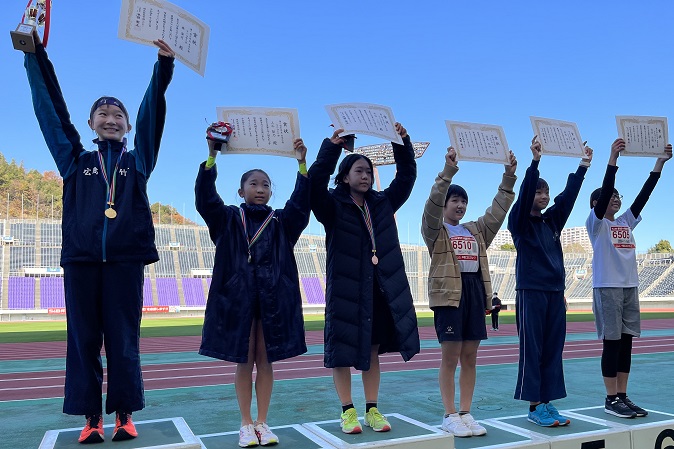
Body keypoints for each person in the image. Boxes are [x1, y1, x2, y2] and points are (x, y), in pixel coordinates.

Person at [22, 32, 175, 443]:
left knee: (124, 342)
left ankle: (124, 414)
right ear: (91, 124)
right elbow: (51, 114)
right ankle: (92, 418)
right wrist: (36, 59)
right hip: (82, 260)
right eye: (102, 113)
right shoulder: (75, 161)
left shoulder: (138, 160)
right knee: (83, 342)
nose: (111, 118)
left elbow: (151, 118)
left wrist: (162, 69)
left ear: (125, 126)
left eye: (118, 115)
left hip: (125, 260)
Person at [196, 132, 310, 447]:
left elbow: (302, 205)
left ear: (272, 191)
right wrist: (211, 157)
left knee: (267, 361)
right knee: (244, 361)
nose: (260, 189)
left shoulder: (282, 222)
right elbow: (206, 199)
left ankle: (263, 422)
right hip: (238, 300)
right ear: (241, 190)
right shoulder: (228, 218)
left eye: (265, 185)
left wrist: (302, 165)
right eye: (254, 184)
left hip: (274, 302)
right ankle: (245, 423)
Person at [309, 124, 420, 434]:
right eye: (359, 170)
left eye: (369, 171)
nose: (366, 175)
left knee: (371, 351)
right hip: (346, 290)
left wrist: (402, 142)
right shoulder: (332, 206)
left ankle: (372, 409)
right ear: (345, 176)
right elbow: (314, 186)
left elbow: (407, 176)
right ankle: (347, 412)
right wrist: (331, 148)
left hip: (378, 289)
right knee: (341, 352)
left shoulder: (382, 204)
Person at [421, 146, 517, 437]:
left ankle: (466, 412)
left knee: (471, 356)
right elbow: (432, 205)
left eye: (464, 201)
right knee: (450, 356)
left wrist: (509, 177)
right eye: (455, 200)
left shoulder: (475, 231)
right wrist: (447, 173)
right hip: (449, 293)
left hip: (475, 292)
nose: (460, 205)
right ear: (446, 204)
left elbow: (498, 211)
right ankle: (449, 414)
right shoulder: (436, 231)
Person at [508, 135, 592, 427]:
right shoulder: (519, 222)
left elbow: (568, 198)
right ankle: (534, 407)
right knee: (534, 349)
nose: (543, 197)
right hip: (531, 291)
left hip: (555, 293)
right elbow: (525, 191)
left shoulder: (552, 222)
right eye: (538, 193)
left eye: (546, 193)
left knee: (554, 349)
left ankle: (547, 402)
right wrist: (534, 162)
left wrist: (583, 166)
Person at [586, 138, 671, 418]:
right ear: (596, 203)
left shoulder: (625, 222)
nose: (616, 198)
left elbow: (644, 196)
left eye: (617, 196)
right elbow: (607, 186)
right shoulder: (597, 224)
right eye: (610, 196)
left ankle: (622, 395)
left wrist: (659, 164)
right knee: (612, 342)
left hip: (629, 287)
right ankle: (610, 399)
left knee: (626, 343)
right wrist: (613, 158)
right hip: (608, 287)